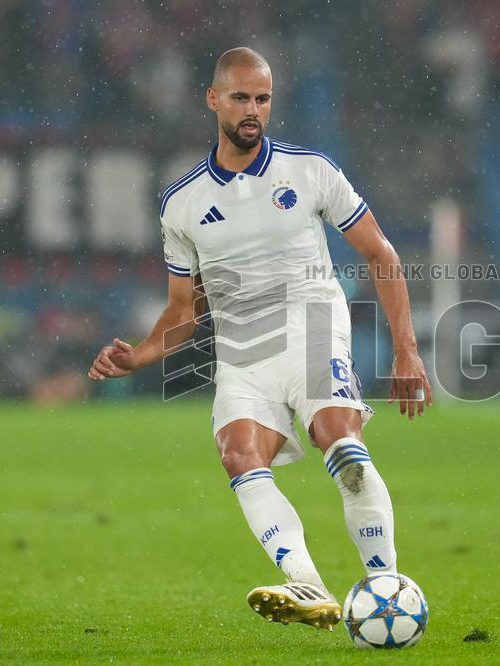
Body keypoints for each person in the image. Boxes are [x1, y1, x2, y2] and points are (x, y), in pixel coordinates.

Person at [87, 47, 433, 631]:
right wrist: (140, 354)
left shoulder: (310, 169)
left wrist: (407, 349)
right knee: (239, 455)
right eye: (242, 98)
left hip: (315, 326)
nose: (254, 110)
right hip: (242, 348)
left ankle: (384, 585)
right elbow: (182, 309)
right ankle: (310, 587)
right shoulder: (182, 203)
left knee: (341, 447)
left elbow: (381, 254)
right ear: (213, 99)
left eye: (263, 99)